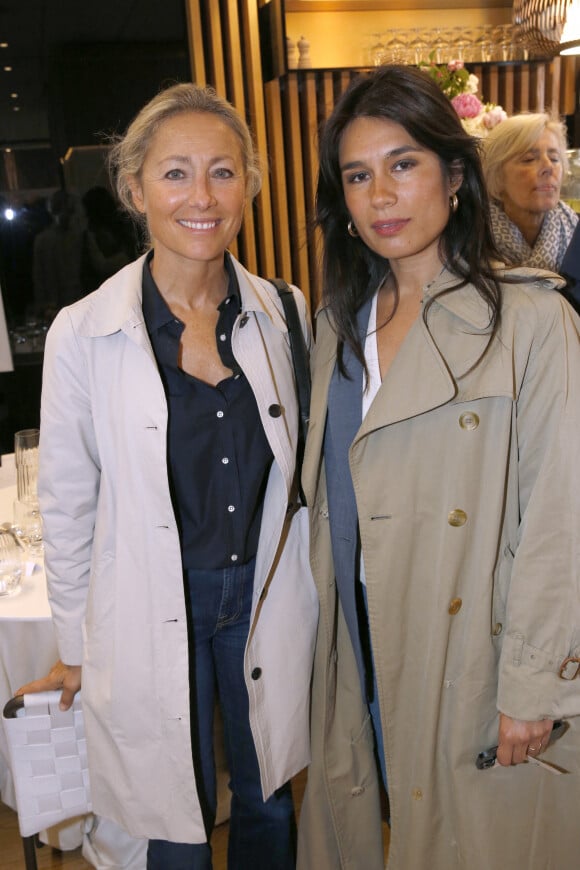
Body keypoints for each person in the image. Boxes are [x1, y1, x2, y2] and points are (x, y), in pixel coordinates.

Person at [296, 65, 580, 870]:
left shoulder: (531, 319)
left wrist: (533, 685)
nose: (380, 194)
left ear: (455, 177)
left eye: (403, 164)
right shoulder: (334, 330)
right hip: (366, 648)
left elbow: (561, 511)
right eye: (357, 174)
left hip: (474, 658)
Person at [34, 82, 317, 870]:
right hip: (151, 601)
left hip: (261, 594)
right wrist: (74, 643)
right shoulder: (84, 333)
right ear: (134, 189)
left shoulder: (285, 312)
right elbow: (65, 499)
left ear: (249, 187)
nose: (202, 196)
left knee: (266, 798)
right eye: (175, 173)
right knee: (168, 813)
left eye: (223, 172)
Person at [482, 111, 578, 273]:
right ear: (496, 175)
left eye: (555, 159)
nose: (548, 167)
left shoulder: (571, 227)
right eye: (529, 159)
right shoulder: (471, 238)